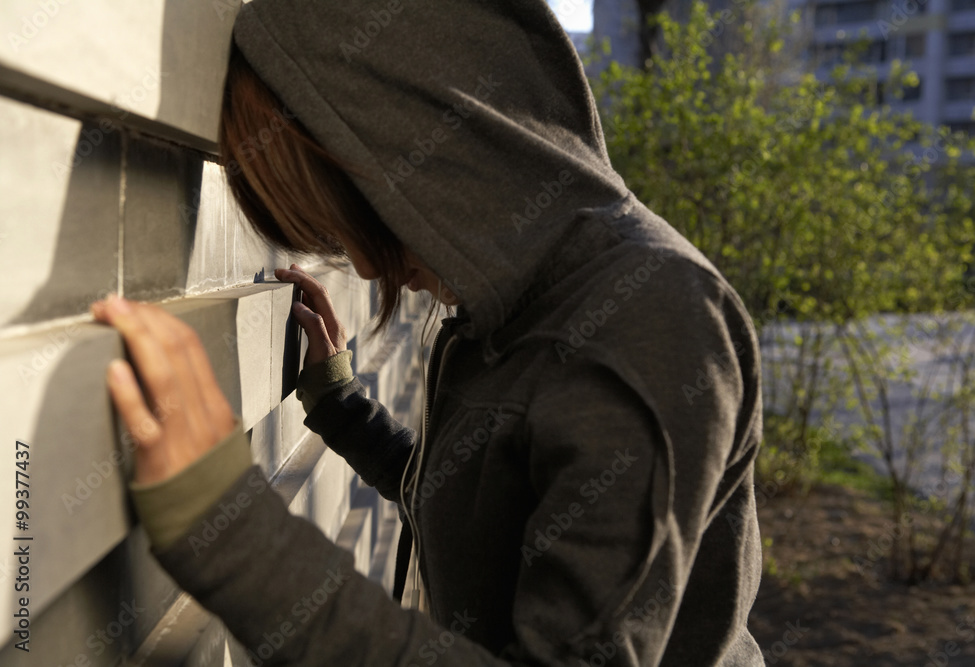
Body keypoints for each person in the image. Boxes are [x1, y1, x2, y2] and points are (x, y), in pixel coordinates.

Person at [90, 0, 767, 664]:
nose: (360, 262)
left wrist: (229, 530)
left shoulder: (650, 323)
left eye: (362, 223)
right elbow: (486, 503)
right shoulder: (524, 305)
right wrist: (340, 407)